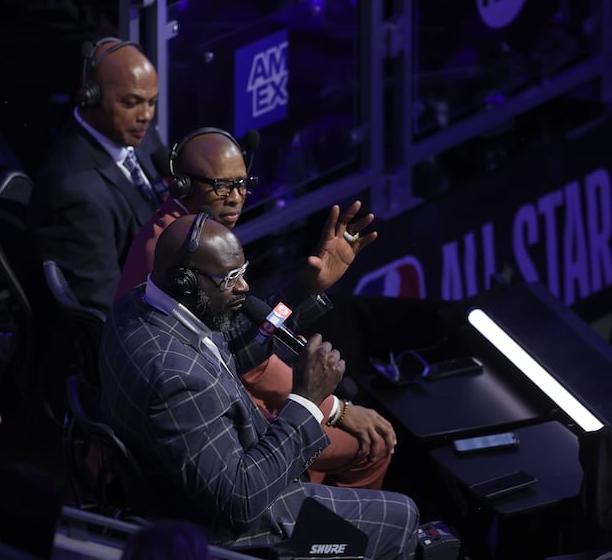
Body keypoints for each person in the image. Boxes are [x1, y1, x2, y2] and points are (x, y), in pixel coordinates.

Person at [99, 213, 419, 557]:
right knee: (403, 515)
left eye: (243, 272)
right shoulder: (176, 378)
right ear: (186, 284)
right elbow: (241, 501)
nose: (244, 287)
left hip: (202, 472)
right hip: (223, 525)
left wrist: (305, 288)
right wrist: (307, 400)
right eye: (231, 278)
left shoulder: (140, 304)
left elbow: (237, 343)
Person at [116, 127, 396, 490]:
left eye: (243, 184)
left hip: (214, 389)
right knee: (371, 447)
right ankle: (316, 537)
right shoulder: (182, 251)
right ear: (182, 185)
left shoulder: (181, 228)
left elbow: (249, 331)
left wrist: (307, 287)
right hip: (211, 419)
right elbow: (247, 361)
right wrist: (335, 410)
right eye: (222, 187)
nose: (236, 198)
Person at [26, 35, 164, 316]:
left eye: (152, 102)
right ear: (90, 97)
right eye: (132, 103)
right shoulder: (74, 191)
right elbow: (107, 310)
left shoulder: (138, 134)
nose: (146, 115)